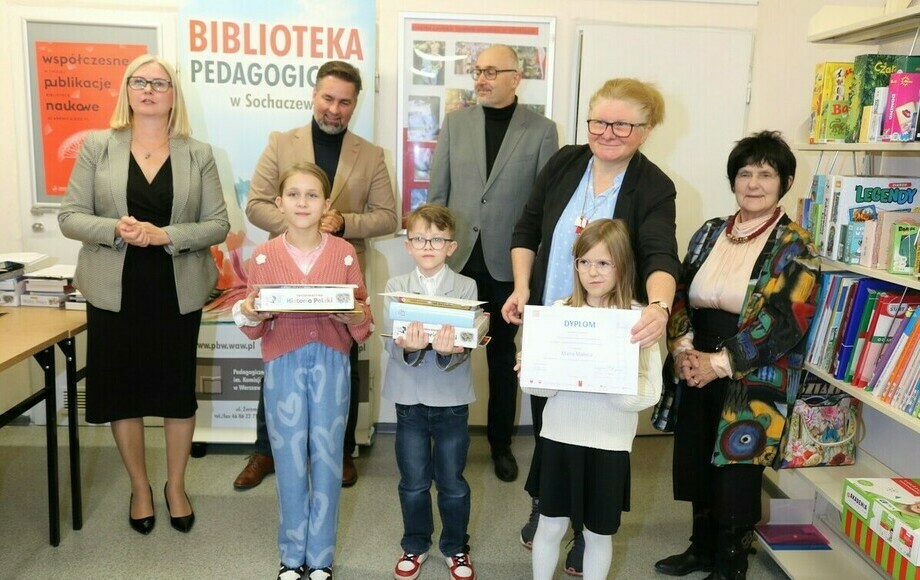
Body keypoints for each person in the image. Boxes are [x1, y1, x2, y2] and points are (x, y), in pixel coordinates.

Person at [502, 77, 680, 573]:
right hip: (553, 319)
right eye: (599, 120)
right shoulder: (564, 161)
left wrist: (660, 308)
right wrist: (522, 289)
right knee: (551, 419)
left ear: (646, 129)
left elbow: (661, 253)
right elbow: (526, 227)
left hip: (607, 325)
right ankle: (551, 504)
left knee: (599, 421)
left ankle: (587, 528)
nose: (607, 132)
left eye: (623, 123)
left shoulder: (653, 185)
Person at [58, 54, 229, 536]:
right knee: (123, 393)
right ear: (127, 91)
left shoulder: (199, 153)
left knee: (176, 395)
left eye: (160, 82)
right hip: (114, 290)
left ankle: (175, 485)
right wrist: (116, 227)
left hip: (177, 291)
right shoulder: (98, 147)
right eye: (140, 81)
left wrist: (165, 235)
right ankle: (140, 487)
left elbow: (218, 224)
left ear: (174, 94)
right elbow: (70, 216)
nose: (149, 89)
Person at [654, 131, 820, 580]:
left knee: (736, 468)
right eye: (745, 173)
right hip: (697, 356)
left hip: (754, 368)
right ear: (733, 181)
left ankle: (730, 563)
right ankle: (700, 549)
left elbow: (787, 320)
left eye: (765, 174)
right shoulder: (710, 231)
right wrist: (684, 349)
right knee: (696, 456)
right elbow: (682, 291)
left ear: (785, 181)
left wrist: (720, 362)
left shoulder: (795, 244)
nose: (753, 183)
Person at [238, 60, 398, 490]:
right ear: (314, 95)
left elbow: (387, 216)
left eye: (344, 102)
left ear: (355, 105)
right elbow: (255, 205)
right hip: (285, 270)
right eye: (328, 98)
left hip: (338, 273)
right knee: (277, 359)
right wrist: (299, 224)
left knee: (342, 361)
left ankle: (340, 450)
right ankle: (265, 450)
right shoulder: (279, 143)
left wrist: (342, 223)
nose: (334, 108)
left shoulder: (372, 155)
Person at [234, 162, 372, 580]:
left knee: (329, 460)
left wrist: (351, 315)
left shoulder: (344, 253)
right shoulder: (263, 256)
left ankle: (321, 557)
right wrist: (251, 310)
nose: (302, 202)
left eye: (312, 195)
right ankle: (292, 556)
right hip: (283, 366)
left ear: (327, 204)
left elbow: (363, 321)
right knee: (289, 459)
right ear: (279, 203)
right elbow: (254, 326)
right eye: (293, 194)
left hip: (332, 363)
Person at [427, 44, 559, 483]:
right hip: (458, 260)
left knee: (503, 357)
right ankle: (446, 443)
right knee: (447, 352)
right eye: (477, 71)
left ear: (515, 77)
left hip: (509, 266)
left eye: (490, 71)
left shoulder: (541, 130)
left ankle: (501, 445)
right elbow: (438, 197)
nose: (480, 79)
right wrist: (433, 253)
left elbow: (544, 206)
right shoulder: (455, 123)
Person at [518, 218, 662, 580]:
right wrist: (531, 371)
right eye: (584, 262)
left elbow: (649, 393)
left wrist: (608, 379)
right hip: (559, 437)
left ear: (621, 265)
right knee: (549, 527)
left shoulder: (639, 319)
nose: (592, 272)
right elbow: (539, 390)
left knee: (598, 534)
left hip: (609, 444)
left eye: (603, 263)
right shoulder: (558, 312)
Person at [381, 204, 478, 580]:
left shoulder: (466, 286)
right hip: (409, 400)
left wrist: (451, 352)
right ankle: (415, 544)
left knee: (453, 481)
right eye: (419, 238)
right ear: (408, 245)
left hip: (451, 398)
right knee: (414, 481)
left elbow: (468, 342)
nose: (427, 245)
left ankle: (456, 547)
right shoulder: (395, 287)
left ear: (451, 247)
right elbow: (391, 343)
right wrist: (410, 346)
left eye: (437, 239)